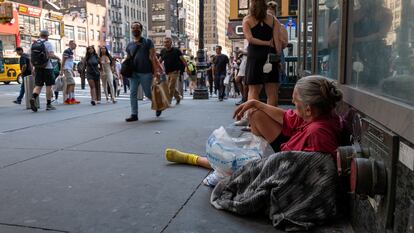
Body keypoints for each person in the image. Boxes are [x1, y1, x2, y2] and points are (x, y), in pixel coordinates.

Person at [165, 75, 343, 170]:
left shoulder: (318, 132)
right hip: (286, 150)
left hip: (282, 164)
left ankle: (194, 160)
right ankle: (254, 152)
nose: (293, 108)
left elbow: (311, 169)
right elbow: (288, 117)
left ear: (309, 109)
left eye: (295, 104)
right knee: (256, 114)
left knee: (232, 163)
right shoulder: (315, 117)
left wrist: (262, 167)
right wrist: (256, 103)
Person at [243, 0, 284, 106]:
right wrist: (278, 58)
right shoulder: (273, 20)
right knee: (272, 91)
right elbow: (277, 41)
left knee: (253, 90)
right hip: (270, 57)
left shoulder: (247, 20)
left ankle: (253, 118)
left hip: (254, 57)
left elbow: (250, 39)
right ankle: (270, 118)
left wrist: (264, 43)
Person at [125, 21, 164, 122]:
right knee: (133, 93)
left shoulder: (147, 42)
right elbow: (128, 59)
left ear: (141, 29)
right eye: (133, 28)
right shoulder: (129, 45)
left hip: (146, 72)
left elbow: (153, 57)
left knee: (147, 93)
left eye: (137, 27)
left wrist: (156, 71)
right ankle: (134, 114)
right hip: (133, 73)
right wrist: (123, 71)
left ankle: (158, 106)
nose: (135, 29)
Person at [29, 30, 60, 112]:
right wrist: (58, 58)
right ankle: (48, 104)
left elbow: (31, 58)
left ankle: (33, 97)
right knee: (49, 86)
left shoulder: (34, 44)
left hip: (38, 68)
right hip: (47, 68)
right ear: (47, 36)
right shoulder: (48, 43)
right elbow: (51, 55)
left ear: (40, 35)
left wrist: (32, 68)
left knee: (38, 85)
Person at [159, 37, 189, 105]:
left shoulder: (176, 50)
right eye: (165, 42)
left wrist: (187, 68)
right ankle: (178, 97)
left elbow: (183, 60)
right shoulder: (163, 51)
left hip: (175, 71)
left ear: (171, 43)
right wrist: (156, 68)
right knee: (169, 86)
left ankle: (168, 101)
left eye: (167, 42)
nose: (166, 43)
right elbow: (160, 61)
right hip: (167, 72)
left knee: (171, 86)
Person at [61, 40, 80, 105]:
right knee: (72, 83)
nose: (75, 45)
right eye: (74, 44)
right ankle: (70, 99)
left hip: (69, 70)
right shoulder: (67, 51)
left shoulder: (71, 52)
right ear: (70, 44)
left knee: (69, 85)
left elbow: (70, 62)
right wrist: (61, 70)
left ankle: (68, 99)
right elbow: (63, 61)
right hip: (66, 69)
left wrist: (72, 71)